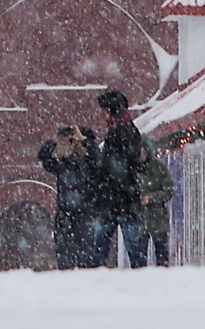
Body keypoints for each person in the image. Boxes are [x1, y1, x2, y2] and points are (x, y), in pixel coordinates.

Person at [91, 89, 147, 268]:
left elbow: (116, 167)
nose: (103, 114)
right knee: (132, 247)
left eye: (104, 110)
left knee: (103, 247)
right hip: (123, 199)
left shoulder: (120, 132)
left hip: (118, 200)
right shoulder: (126, 129)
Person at [37, 124, 100, 269]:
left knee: (87, 262)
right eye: (72, 142)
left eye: (77, 142)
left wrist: (84, 141)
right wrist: (54, 141)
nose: (75, 145)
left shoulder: (92, 165)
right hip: (65, 217)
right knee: (64, 262)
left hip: (87, 217)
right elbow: (43, 158)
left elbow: (97, 156)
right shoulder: (65, 164)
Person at [136, 143, 174, 268]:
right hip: (139, 218)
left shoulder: (159, 168)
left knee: (161, 253)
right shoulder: (132, 168)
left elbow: (168, 190)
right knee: (139, 255)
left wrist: (151, 198)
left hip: (158, 218)